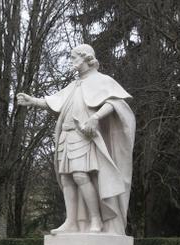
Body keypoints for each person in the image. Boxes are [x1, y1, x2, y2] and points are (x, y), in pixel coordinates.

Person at [16, 44, 135, 235]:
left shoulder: (103, 81)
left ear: (86, 58)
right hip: (66, 135)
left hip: (84, 137)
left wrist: (96, 118)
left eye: (74, 58)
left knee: (80, 175)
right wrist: (34, 101)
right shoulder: (74, 85)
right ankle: (71, 221)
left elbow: (115, 102)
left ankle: (96, 219)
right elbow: (55, 101)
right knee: (66, 179)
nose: (71, 62)